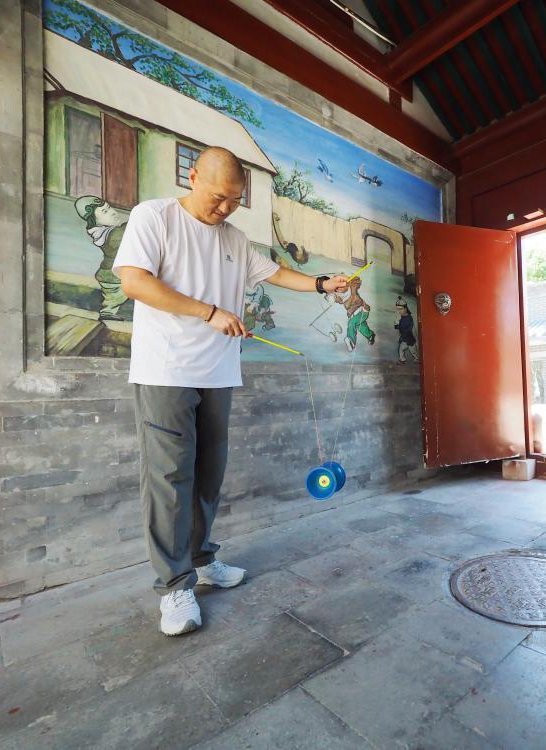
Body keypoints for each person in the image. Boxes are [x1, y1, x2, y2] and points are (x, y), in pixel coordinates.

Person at [113, 147, 349, 636]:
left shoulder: (234, 239)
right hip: (166, 370)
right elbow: (134, 282)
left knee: (208, 476)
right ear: (193, 176)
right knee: (169, 477)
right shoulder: (153, 217)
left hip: (218, 372)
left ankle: (202, 561)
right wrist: (208, 312)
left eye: (234, 201)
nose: (224, 209)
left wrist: (325, 284)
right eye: (219, 198)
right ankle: (175, 588)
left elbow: (277, 274)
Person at [74, 195, 129, 321]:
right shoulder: (106, 235)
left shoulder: (109, 230)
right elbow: (120, 235)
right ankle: (107, 313)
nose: (113, 212)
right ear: (94, 220)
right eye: (105, 211)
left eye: (109, 208)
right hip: (112, 275)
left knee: (120, 293)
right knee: (117, 295)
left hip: (117, 272)